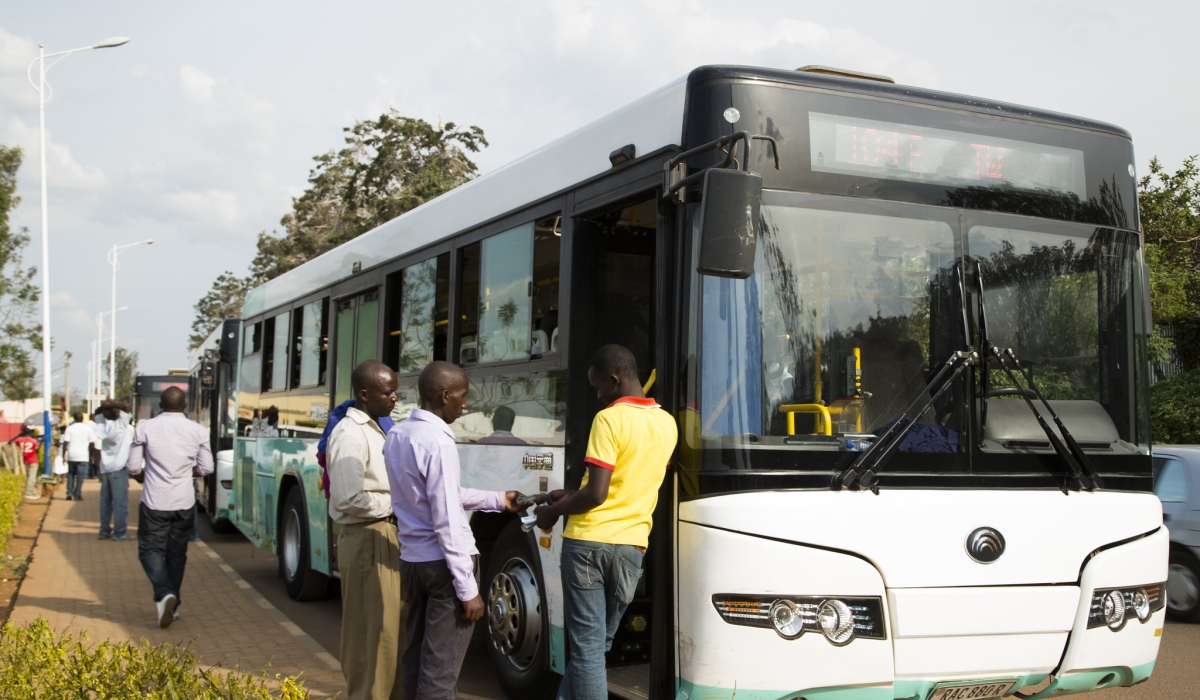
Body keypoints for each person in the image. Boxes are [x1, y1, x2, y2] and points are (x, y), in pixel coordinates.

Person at [534, 344, 677, 700]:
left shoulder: (610, 418)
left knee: (585, 651)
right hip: (631, 548)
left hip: (589, 544)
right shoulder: (666, 422)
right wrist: (571, 493)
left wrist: (552, 512)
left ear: (614, 380)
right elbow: (626, 482)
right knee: (595, 648)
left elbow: (597, 496)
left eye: (598, 387)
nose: (597, 396)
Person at [384, 361, 518, 700]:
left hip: (413, 562)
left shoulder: (399, 434)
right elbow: (447, 519)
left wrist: (496, 500)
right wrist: (467, 587)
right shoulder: (438, 442)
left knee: (414, 659)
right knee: (440, 676)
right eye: (462, 396)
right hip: (444, 568)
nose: (466, 403)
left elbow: (440, 496)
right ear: (445, 396)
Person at [327, 361, 404, 700]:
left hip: (380, 536)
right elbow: (347, 497)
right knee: (373, 637)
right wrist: (398, 505)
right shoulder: (349, 434)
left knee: (388, 632)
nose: (394, 398)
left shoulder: (375, 427)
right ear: (363, 394)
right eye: (388, 392)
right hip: (368, 537)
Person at [125, 386, 213, 628]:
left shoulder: (145, 428)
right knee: (176, 554)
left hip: (155, 500)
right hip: (184, 502)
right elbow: (206, 468)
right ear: (185, 405)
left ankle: (164, 594)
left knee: (150, 550)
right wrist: (187, 471)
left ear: (160, 406)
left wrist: (146, 474)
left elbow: (133, 468)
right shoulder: (197, 431)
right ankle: (173, 608)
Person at [95, 401, 134, 541]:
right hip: (119, 468)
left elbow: (97, 413)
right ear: (118, 414)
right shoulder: (121, 425)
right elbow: (126, 407)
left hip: (105, 468)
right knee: (120, 503)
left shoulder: (101, 427)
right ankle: (120, 532)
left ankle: (104, 531)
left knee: (105, 502)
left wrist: (105, 406)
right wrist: (113, 404)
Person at [61, 412, 99, 501]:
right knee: (80, 476)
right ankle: (77, 494)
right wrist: (91, 455)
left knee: (70, 474)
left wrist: (63, 455)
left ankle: (69, 491)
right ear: (82, 419)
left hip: (71, 455)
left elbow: (65, 443)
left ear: (74, 418)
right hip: (83, 456)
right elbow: (92, 444)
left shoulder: (69, 428)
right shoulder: (88, 429)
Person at [11, 427, 42, 500]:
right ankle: (28, 492)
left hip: (25, 460)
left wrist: (18, 436)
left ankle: (32, 492)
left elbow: (10, 442)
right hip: (33, 459)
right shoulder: (33, 441)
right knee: (32, 477)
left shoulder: (20, 440)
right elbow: (36, 451)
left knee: (29, 477)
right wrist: (40, 443)